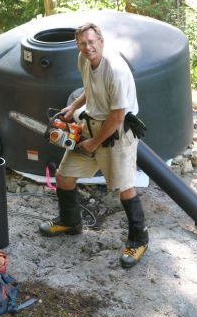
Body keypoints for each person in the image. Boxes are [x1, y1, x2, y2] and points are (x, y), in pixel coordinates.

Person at [39, 22, 148, 268]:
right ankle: (70, 221)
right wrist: (74, 107)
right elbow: (91, 89)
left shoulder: (115, 70)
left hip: (116, 132)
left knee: (124, 187)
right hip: (91, 126)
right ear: (78, 45)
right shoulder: (84, 59)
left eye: (91, 42)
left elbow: (118, 116)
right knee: (64, 176)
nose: (88, 47)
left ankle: (139, 240)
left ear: (101, 41)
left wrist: (93, 143)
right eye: (83, 43)